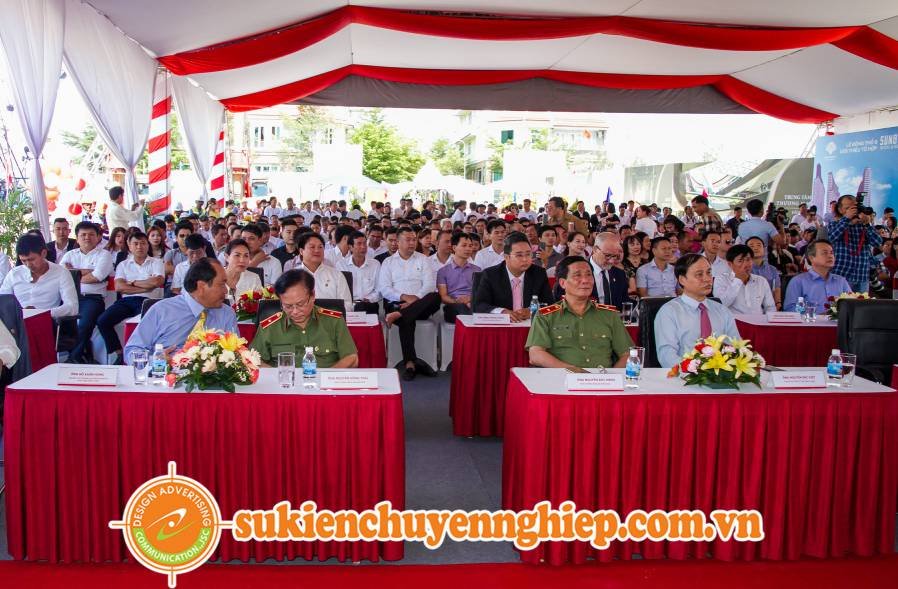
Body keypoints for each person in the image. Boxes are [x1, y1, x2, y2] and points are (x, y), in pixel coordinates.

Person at [124, 258, 238, 364]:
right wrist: (155, 361)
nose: (225, 290)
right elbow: (132, 351)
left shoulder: (226, 314)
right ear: (201, 286)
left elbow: (236, 354)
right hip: (164, 375)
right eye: (221, 284)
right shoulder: (162, 310)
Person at [526, 256, 633, 369]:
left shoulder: (609, 315)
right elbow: (536, 355)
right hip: (562, 377)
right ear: (563, 283)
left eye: (589, 275)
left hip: (602, 377)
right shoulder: (546, 316)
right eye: (577, 275)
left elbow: (628, 354)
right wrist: (573, 371)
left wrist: (611, 376)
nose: (585, 280)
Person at [250, 269, 357, 368]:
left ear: (313, 295)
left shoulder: (333, 321)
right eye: (288, 306)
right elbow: (252, 360)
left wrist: (326, 377)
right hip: (285, 381)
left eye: (300, 304)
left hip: (325, 380)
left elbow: (351, 358)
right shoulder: (270, 327)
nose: (295, 311)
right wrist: (277, 376)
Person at [654, 254, 741, 368]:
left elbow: (737, 347)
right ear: (682, 279)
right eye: (699, 274)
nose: (707, 279)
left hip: (722, 374)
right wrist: (695, 372)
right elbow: (667, 356)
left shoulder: (722, 310)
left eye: (709, 273)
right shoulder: (669, 312)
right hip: (684, 375)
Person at [378, 226, 440, 380]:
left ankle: (399, 315)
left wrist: (415, 299)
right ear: (398, 242)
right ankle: (411, 363)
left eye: (414, 239)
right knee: (407, 320)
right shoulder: (388, 262)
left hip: (420, 304)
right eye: (408, 240)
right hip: (396, 303)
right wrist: (404, 297)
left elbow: (429, 285)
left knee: (435, 297)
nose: (412, 243)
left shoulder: (423, 259)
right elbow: (384, 289)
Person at [97, 231, 164, 365]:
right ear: (129, 246)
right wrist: (146, 286)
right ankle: (119, 353)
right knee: (102, 321)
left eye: (143, 243)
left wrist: (132, 282)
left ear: (148, 245)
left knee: (146, 324)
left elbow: (157, 282)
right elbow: (119, 287)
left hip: (148, 301)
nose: (139, 247)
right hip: (126, 301)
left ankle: (146, 355)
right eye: (136, 243)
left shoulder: (156, 262)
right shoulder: (123, 265)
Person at [60, 222, 114, 363]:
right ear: (77, 238)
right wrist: (88, 272)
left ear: (98, 237)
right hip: (69, 297)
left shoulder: (104, 255)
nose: (87, 238)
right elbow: (62, 276)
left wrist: (74, 273)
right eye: (83, 235)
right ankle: (83, 353)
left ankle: (74, 358)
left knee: (83, 324)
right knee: (58, 322)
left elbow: (97, 277)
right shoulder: (69, 255)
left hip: (92, 299)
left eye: (91, 234)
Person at [474, 231, 554, 319]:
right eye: (519, 255)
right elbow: (479, 305)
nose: (525, 259)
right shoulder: (491, 275)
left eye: (528, 254)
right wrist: (502, 312)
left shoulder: (539, 273)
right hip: (502, 325)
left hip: (530, 325)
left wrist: (533, 311)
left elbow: (551, 306)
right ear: (506, 257)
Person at [1, 233, 78, 319]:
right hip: (15, 322)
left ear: (44, 253)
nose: (28, 265)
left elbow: (72, 307)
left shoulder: (61, 273)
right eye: (24, 261)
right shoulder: (14, 274)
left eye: (31, 259)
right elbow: (3, 301)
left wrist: (40, 313)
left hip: (44, 320)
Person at [827, 195, 882, 293]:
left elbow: (877, 242)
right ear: (840, 210)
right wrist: (846, 219)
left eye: (854, 207)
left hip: (861, 275)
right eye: (848, 208)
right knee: (838, 302)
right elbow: (831, 238)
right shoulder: (834, 224)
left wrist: (867, 224)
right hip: (841, 274)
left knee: (862, 303)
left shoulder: (863, 225)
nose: (853, 211)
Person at [783, 240, 852, 312]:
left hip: (838, 319)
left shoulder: (841, 281)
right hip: (810, 319)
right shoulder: (798, 281)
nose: (830, 256)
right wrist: (815, 313)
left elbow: (851, 305)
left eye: (831, 253)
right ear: (811, 258)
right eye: (825, 253)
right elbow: (790, 309)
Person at [286, 233, 352, 308]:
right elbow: (287, 304)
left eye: (320, 247)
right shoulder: (291, 276)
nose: (317, 250)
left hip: (331, 315)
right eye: (312, 247)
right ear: (301, 251)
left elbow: (347, 305)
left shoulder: (337, 275)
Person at [712, 244, 775, 315]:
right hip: (733, 321)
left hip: (758, 321)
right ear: (730, 264)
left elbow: (770, 307)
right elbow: (721, 305)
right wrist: (738, 280)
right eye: (740, 261)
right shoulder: (721, 279)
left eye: (748, 259)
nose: (746, 264)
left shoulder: (761, 281)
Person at [437, 232, 481, 323]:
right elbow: (443, 296)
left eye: (470, 246)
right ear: (454, 248)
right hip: (453, 305)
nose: (468, 249)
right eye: (464, 245)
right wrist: (458, 301)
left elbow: (480, 292)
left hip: (473, 303)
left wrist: (469, 299)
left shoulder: (477, 270)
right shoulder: (443, 271)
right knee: (461, 308)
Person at [339, 231, 381, 314]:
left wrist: (369, 299)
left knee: (364, 307)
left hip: (369, 304)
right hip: (348, 305)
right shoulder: (341, 265)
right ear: (350, 247)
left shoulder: (375, 264)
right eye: (359, 244)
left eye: (365, 243)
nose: (363, 247)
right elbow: (339, 290)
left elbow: (379, 289)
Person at [587, 232, 631, 310]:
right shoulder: (579, 273)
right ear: (595, 250)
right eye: (607, 255)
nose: (611, 261)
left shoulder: (619, 274)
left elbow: (624, 302)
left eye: (615, 256)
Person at [745, 236, 782, 309]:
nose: (755, 248)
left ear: (764, 250)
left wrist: (778, 303)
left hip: (769, 307)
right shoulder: (743, 269)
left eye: (759, 245)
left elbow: (776, 289)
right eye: (751, 246)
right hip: (749, 308)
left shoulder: (772, 269)